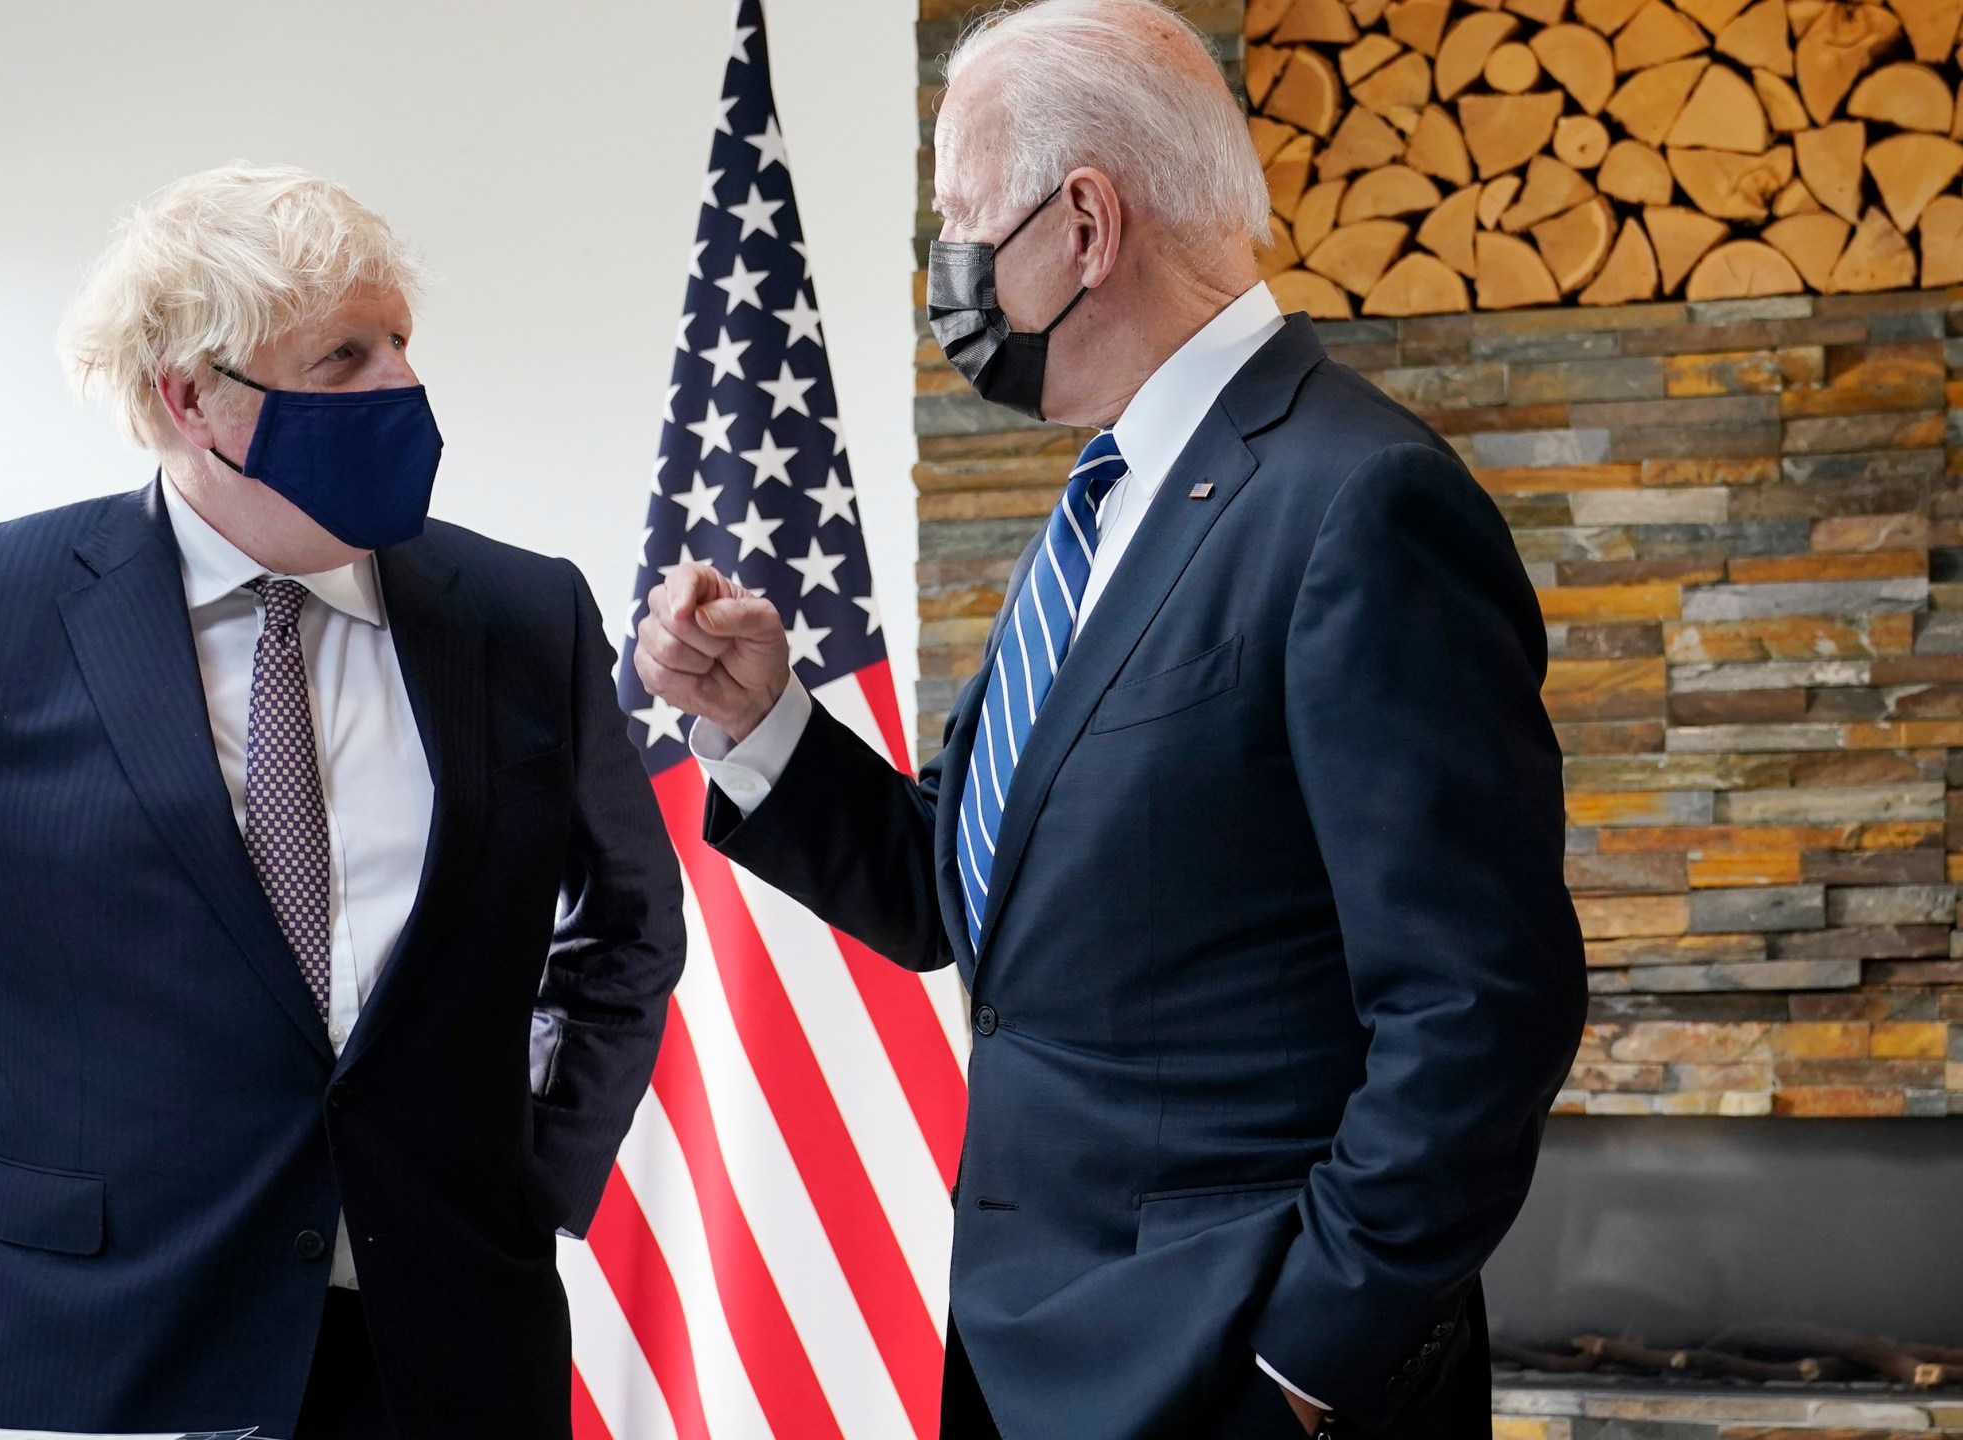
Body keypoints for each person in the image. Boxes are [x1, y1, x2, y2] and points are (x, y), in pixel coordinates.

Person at [634, 4, 1588, 1438]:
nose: (946, 267)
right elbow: (967, 897)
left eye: (962, 219)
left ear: (1084, 222)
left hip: (1234, 1375)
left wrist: (1306, 1365)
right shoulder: (1112, 503)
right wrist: (763, 721)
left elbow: (1478, 1012)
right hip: (1034, 1356)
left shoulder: (1359, 502)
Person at [0, 164, 686, 1439]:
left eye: (400, 343)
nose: (399, 385)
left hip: (447, 1351)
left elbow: (628, 929)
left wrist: (524, 1177)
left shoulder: (522, 613)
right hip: (93, 1353)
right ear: (191, 396)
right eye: (342, 358)